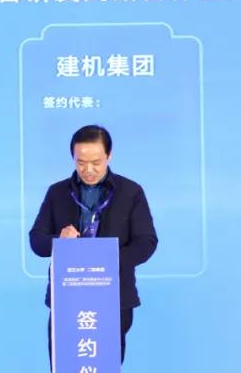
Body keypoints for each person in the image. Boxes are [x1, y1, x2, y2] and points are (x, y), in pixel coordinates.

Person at [29, 125, 157, 361]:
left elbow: (146, 242)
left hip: (114, 296)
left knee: (105, 368)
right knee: (65, 368)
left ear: (109, 155)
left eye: (96, 162)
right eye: (81, 163)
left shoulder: (131, 192)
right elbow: (36, 241)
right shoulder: (57, 192)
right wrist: (59, 241)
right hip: (67, 296)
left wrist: (106, 261)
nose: (88, 170)